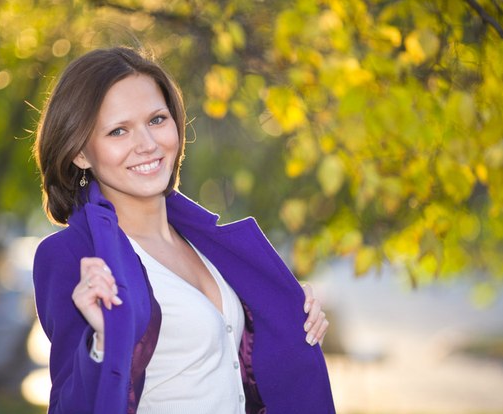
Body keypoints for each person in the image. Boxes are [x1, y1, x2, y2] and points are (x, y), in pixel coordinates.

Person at [32, 46, 335, 414]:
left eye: (157, 120)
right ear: (80, 153)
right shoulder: (72, 256)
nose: (147, 144)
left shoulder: (205, 242)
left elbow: (244, 373)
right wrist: (101, 345)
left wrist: (291, 316)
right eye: (118, 131)